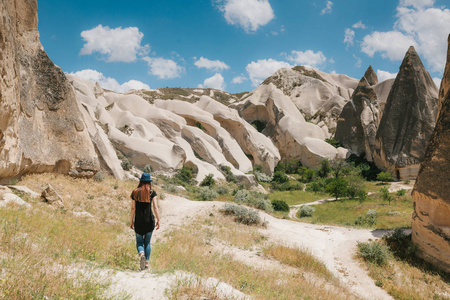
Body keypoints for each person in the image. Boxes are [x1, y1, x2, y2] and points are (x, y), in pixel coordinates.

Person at [130, 172, 160, 270]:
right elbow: (155, 207)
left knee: (139, 242)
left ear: (141, 181)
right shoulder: (152, 193)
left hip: (138, 221)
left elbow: (133, 208)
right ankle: (146, 264)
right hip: (149, 221)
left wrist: (131, 221)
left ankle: (141, 254)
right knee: (147, 242)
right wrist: (158, 219)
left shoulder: (135, 192)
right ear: (149, 182)